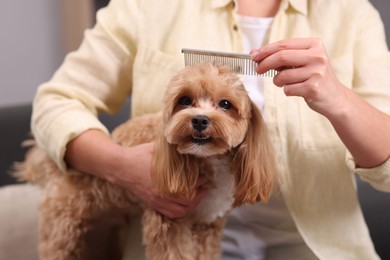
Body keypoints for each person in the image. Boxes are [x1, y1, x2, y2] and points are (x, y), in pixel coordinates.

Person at [3, 0, 390, 259]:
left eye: (224, 105)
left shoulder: (351, 15)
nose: (203, 115)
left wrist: (338, 98)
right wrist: (120, 166)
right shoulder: (147, 6)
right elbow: (56, 101)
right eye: (188, 102)